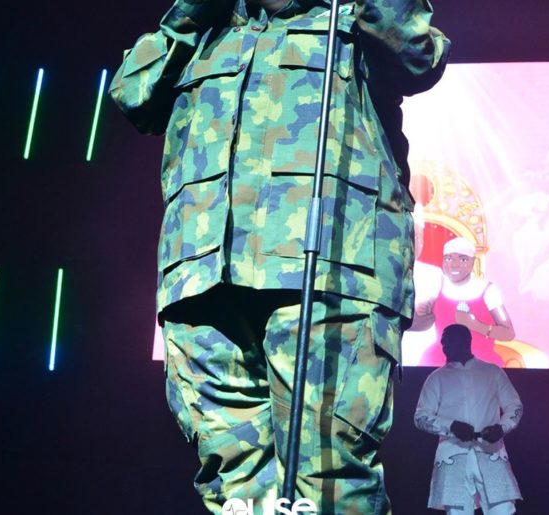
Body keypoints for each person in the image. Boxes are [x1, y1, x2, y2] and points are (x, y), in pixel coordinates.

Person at [110, 0, 450, 512]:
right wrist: (191, 14)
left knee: (332, 480)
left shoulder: (353, 21)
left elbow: (418, 57)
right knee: (236, 483)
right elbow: (132, 93)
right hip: (204, 279)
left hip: (333, 275)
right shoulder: (202, 31)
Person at [414, 324, 523, 514]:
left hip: (491, 452)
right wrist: (451, 426)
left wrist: (501, 428)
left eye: (450, 340)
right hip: (452, 455)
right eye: (443, 341)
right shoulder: (436, 378)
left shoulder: (492, 372)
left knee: (503, 510)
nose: (445, 345)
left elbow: (514, 406)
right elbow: (421, 416)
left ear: (466, 341)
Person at [415, 237, 514, 367]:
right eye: (448, 259)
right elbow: (421, 321)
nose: (454, 264)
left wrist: (474, 325)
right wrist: (422, 313)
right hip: (439, 362)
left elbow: (508, 333)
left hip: (479, 362)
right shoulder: (437, 284)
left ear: (473, 261)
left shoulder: (488, 291)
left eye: (463, 259)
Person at [402, 203, 443, 365]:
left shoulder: (435, 274)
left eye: (418, 237)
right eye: (409, 236)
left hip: (428, 355)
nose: (414, 243)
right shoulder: (382, 270)